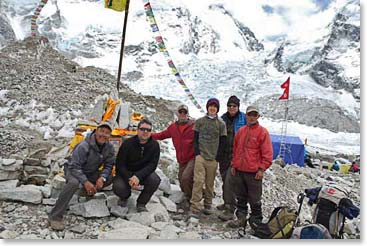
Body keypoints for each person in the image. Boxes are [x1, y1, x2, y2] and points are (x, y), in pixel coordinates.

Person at [48, 122, 115, 230]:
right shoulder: (84, 146)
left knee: (110, 178)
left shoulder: (109, 148)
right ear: (96, 131)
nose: (103, 135)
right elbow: (74, 166)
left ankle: (86, 192)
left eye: (107, 133)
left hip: (91, 171)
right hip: (73, 170)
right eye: (101, 131)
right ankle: (55, 216)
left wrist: (102, 177)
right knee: (74, 183)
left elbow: (109, 165)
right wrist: (86, 182)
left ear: (110, 135)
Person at [227, 105, 273, 229]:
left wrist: (262, 169)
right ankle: (241, 219)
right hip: (239, 171)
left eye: (254, 115)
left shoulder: (263, 132)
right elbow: (235, 150)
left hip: (254, 173)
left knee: (255, 200)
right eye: (250, 114)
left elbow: (267, 154)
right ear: (246, 115)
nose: (252, 117)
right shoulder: (241, 131)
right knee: (240, 197)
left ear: (258, 116)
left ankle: (256, 223)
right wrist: (233, 164)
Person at [113, 118, 161, 213]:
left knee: (155, 180)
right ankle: (124, 197)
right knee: (118, 186)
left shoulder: (155, 145)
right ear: (137, 130)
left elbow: (152, 165)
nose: (145, 132)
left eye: (148, 130)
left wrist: (138, 176)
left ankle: (141, 203)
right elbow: (120, 164)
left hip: (142, 174)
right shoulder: (127, 143)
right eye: (143, 129)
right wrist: (130, 178)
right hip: (126, 173)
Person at [190, 98, 227, 218]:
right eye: (210, 106)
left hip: (213, 158)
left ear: (217, 109)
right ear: (207, 107)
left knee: (210, 183)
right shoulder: (200, 121)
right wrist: (197, 153)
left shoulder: (221, 124)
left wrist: (217, 157)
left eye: (215, 106)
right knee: (198, 181)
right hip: (201, 156)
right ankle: (195, 206)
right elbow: (195, 138)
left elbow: (223, 141)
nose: (212, 108)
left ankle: (207, 204)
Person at [151, 104, 195, 204]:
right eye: (181, 112)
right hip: (181, 159)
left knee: (186, 177)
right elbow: (161, 135)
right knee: (182, 181)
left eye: (185, 112)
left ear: (188, 114)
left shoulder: (194, 126)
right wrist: (148, 135)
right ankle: (192, 194)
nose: (183, 114)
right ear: (177, 114)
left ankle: (191, 199)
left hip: (193, 157)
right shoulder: (173, 127)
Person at [217, 95, 247, 221]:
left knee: (230, 181)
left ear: (238, 107)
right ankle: (226, 202)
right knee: (225, 179)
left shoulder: (244, 118)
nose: (231, 108)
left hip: (236, 156)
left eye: (234, 106)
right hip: (224, 154)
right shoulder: (222, 118)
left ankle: (230, 209)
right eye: (229, 105)